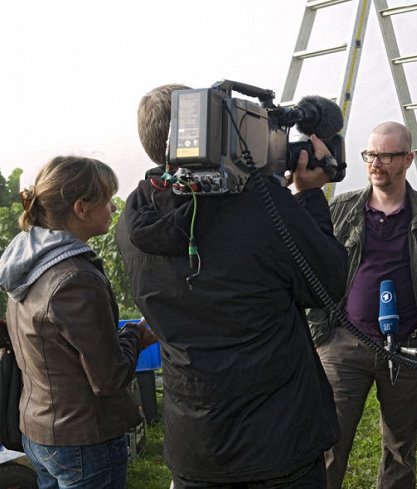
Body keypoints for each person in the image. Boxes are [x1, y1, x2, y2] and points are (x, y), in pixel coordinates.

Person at [115, 84, 348, 488]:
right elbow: (327, 285)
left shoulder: (134, 215)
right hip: (279, 443)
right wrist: (308, 196)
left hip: (195, 446)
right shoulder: (261, 207)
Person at [0, 155, 156, 489]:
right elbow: (109, 377)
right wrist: (138, 334)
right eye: (107, 200)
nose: (114, 209)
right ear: (81, 208)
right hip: (84, 437)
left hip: (39, 430)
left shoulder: (27, 260)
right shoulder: (75, 277)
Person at [307, 121, 417, 488]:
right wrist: (322, 336)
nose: (375, 163)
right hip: (345, 343)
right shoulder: (342, 209)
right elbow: (313, 270)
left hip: (407, 348)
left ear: (408, 159)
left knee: (401, 451)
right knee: (327, 443)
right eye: (371, 154)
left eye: (386, 155)